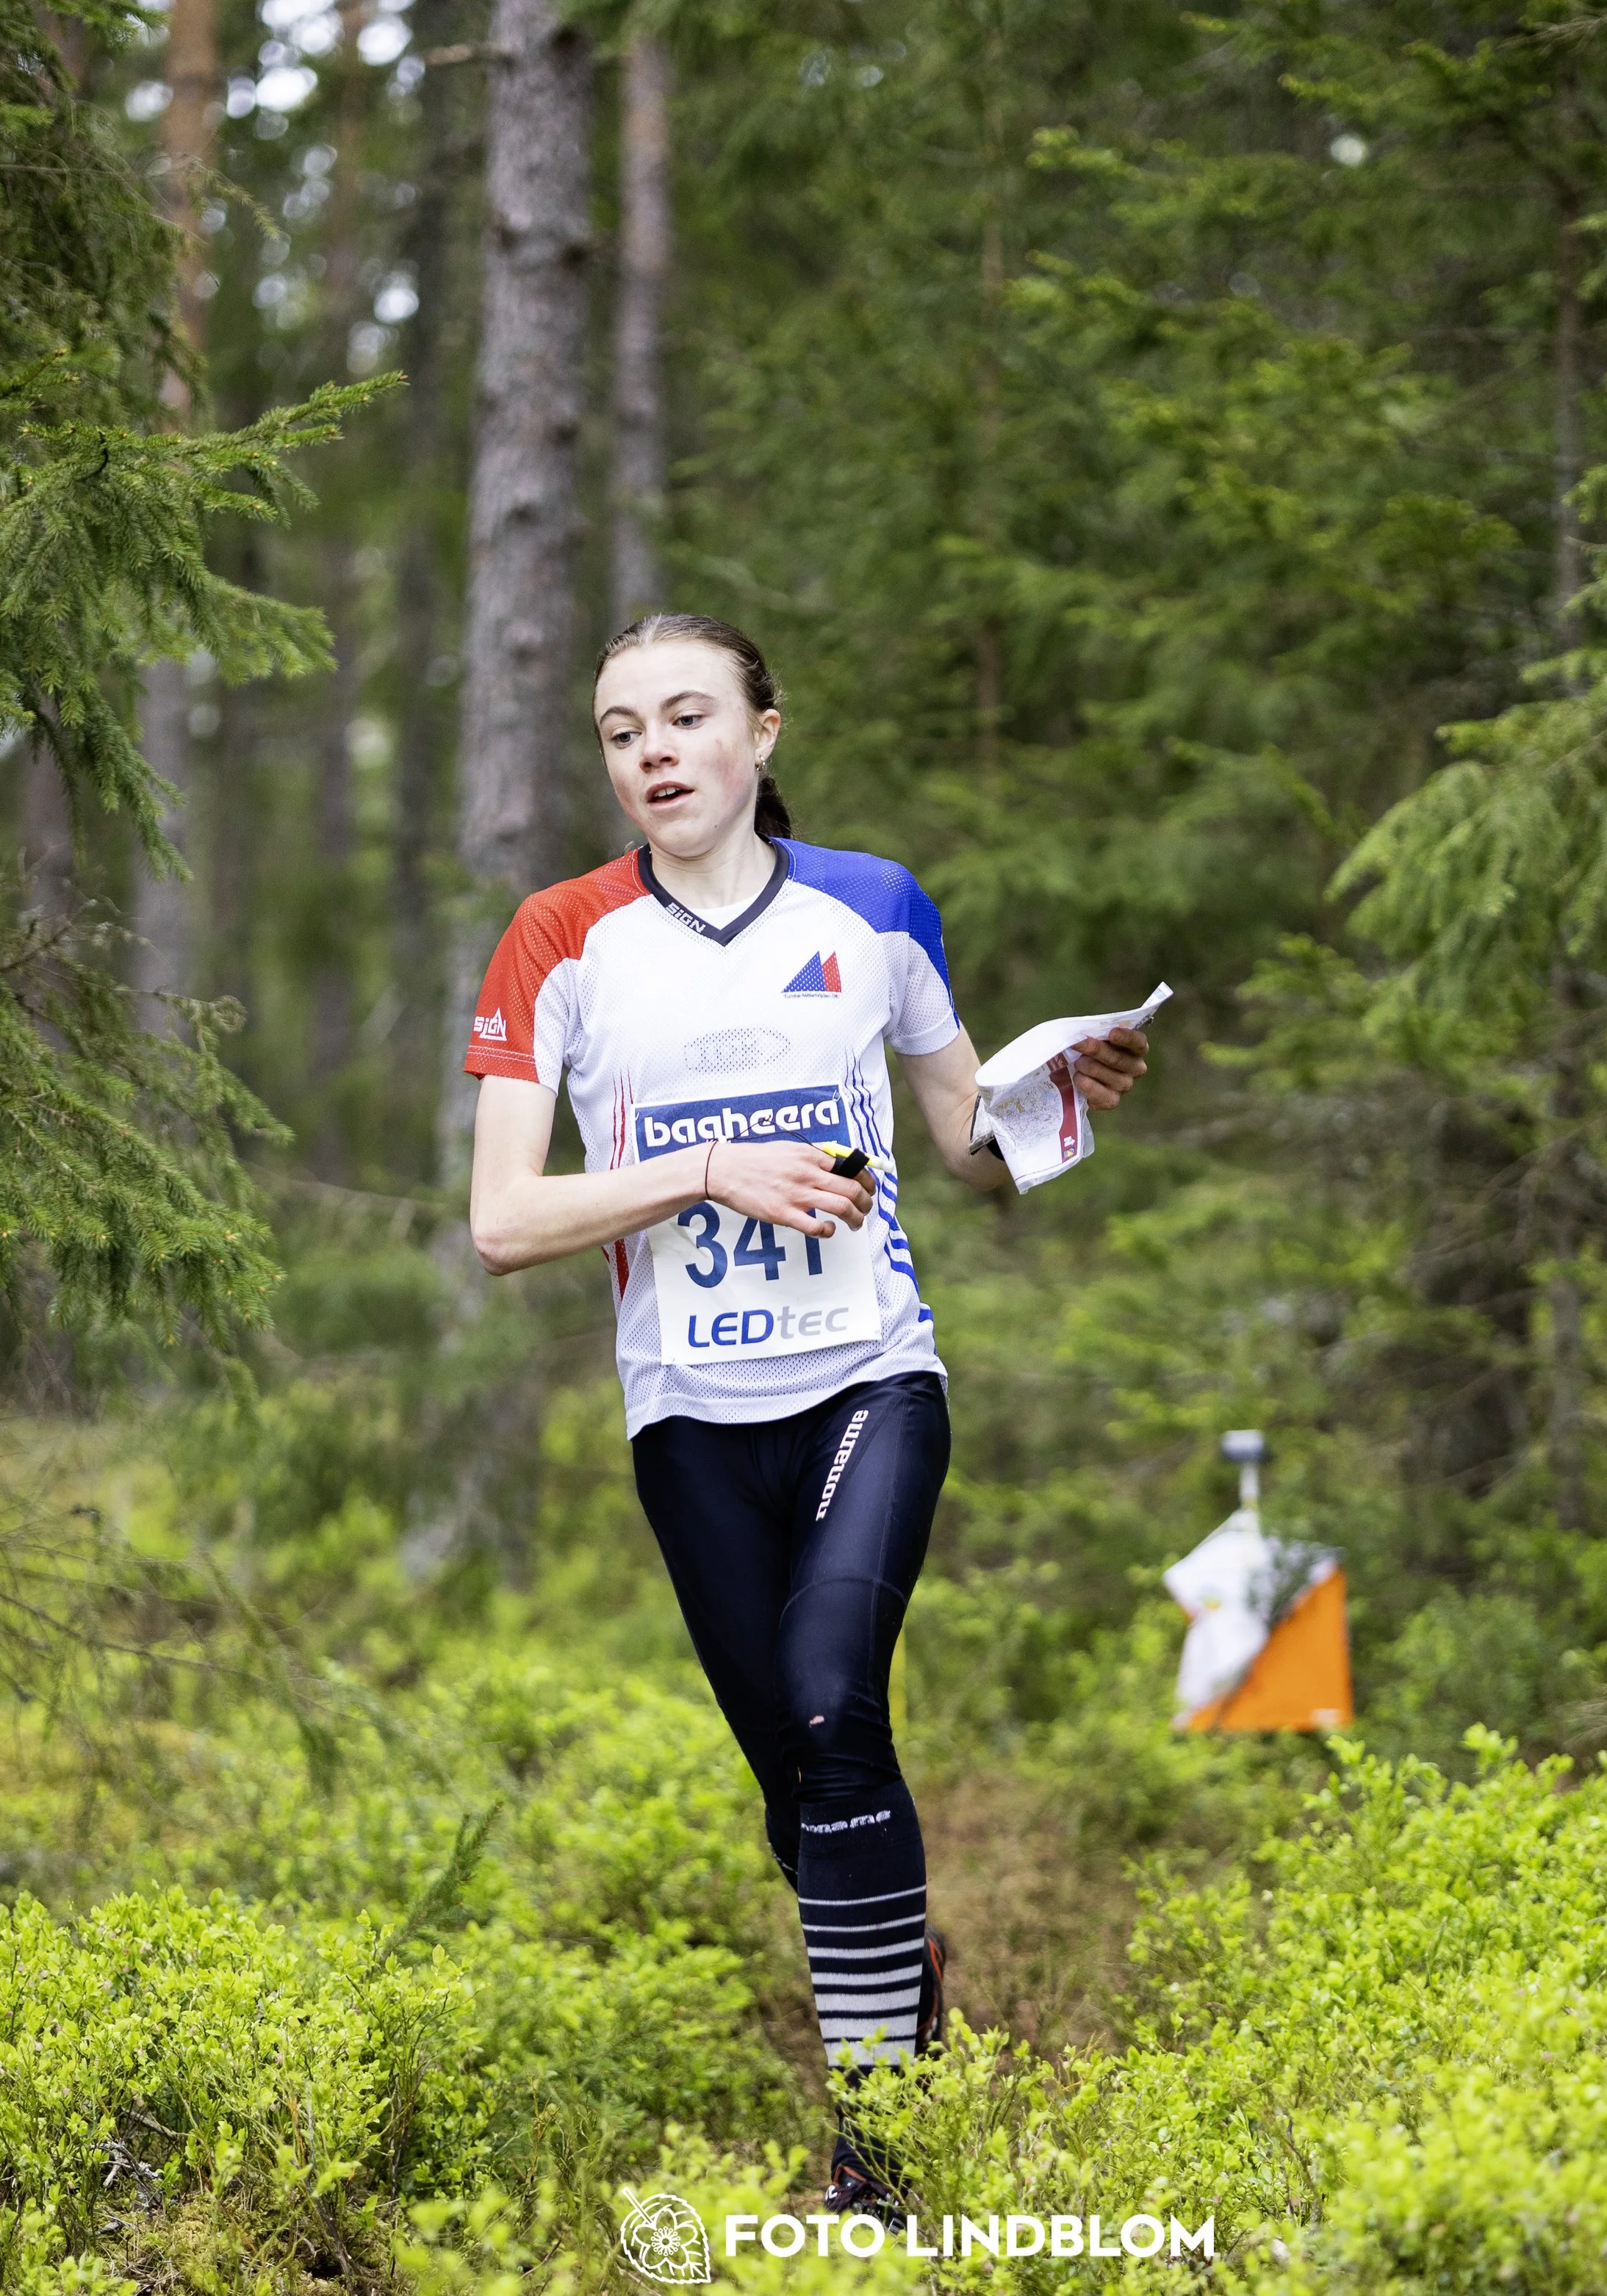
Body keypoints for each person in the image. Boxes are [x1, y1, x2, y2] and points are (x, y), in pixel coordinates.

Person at [464, 612, 1149, 2214]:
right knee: (800, 1792)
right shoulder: (556, 937)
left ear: (760, 734)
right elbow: (504, 1217)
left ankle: (882, 2159)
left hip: (868, 1377)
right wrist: (707, 1167)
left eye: (685, 716)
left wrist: (1053, 1101)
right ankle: (906, 2002)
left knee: (838, 1701)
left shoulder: (872, 905)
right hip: (689, 1414)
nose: (651, 751)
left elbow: (969, 1147)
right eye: (621, 728)